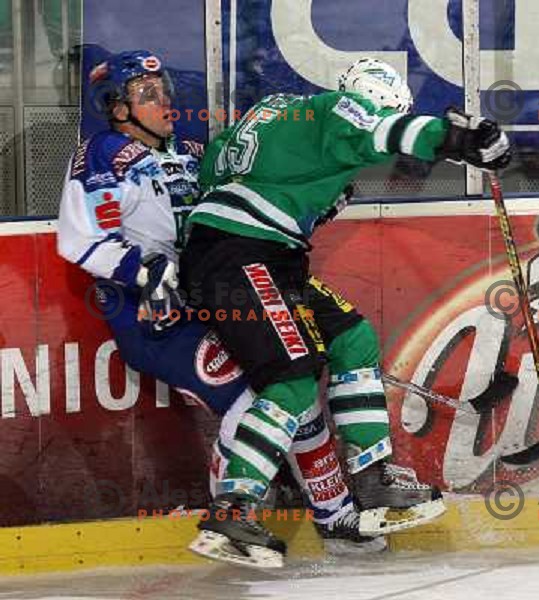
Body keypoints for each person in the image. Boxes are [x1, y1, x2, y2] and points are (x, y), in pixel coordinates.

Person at [180, 57, 512, 568]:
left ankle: (372, 477)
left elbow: (217, 172)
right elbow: (381, 132)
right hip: (241, 254)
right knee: (291, 379)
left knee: (350, 335)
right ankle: (234, 508)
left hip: (257, 255)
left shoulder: (277, 113)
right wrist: (457, 140)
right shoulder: (340, 111)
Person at [56, 50, 383, 556]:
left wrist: (311, 207)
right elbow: (80, 241)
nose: (164, 101)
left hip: (217, 294)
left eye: (164, 90)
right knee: (256, 402)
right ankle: (230, 520)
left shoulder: (191, 151)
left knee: (293, 390)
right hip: (154, 318)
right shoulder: (102, 155)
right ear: (117, 108)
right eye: (147, 95)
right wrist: (143, 271)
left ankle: (337, 517)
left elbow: (241, 216)